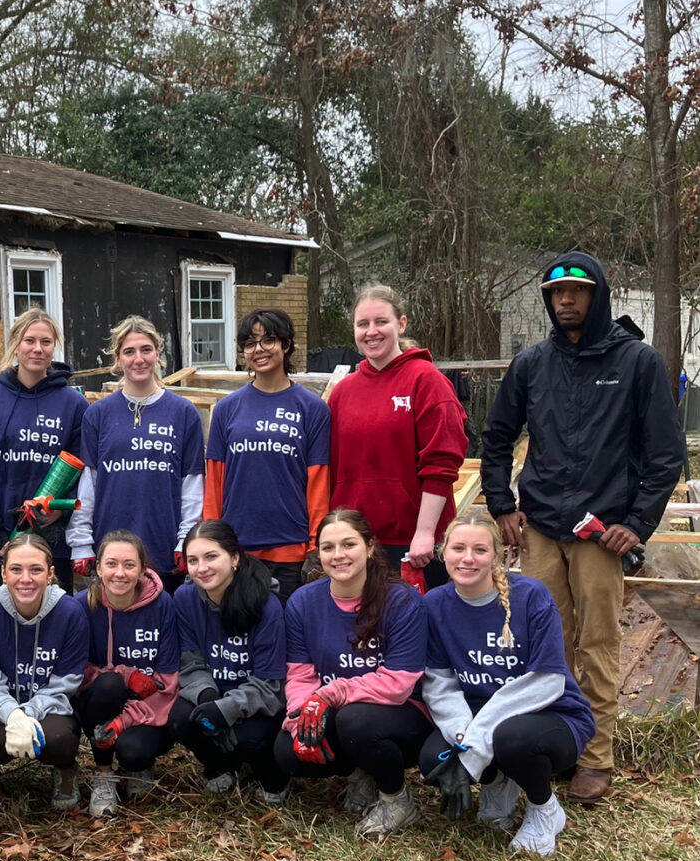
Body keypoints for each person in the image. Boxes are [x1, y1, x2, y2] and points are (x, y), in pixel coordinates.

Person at [481, 252, 685, 804]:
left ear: (598, 295)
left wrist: (637, 523)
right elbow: (497, 436)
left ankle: (595, 758)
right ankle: (552, 746)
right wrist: (502, 504)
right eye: (556, 293)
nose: (565, 300)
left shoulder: (637, 362)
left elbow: (665, 456)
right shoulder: (532, 364)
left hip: (601, 531)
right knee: (545, 643)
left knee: (597, 644)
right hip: (542, 526)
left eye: (577, 290)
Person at [421, 510, 596, 856]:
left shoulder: (531, 596)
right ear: (444, 553)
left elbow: (547, 681)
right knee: (431, 761)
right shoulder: (435, 604)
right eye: (458, 548)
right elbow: (439, 683)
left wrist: (471, 752)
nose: (467, 559)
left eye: (480, 550)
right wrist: (461, 741)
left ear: (499, 555)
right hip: (478, 712)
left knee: (512, 740)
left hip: (552, 713)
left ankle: (544, 809)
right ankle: (500, 781)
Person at [277, 509, 432, 838]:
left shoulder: (402, 600)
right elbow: (301, 673)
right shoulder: (303, 602)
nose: (338, 555)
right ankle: (360, 772)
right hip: (333, 707)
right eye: (328, 547)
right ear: (318, 553)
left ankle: (396, 800)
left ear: (370, 546)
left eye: (349, 544)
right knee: (286, 751)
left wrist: (330, 694)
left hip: (401, 714)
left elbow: (399, 683)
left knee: (356, 721)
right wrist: (301, 714)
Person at [327, 285, 467, 588]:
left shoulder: (427, 381)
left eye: (381, 322)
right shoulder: (342, 392)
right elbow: (333, 466)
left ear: (401, 324)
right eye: (362, 324)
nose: (371, 332)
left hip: (413, 546)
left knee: (413, 630)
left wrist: (425, 533)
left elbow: (441, 465)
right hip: (356, 544)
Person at [67, 315, 204, 591]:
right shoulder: (98, 414)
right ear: (118, 358)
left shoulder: (183, 413)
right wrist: (81, 542)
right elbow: (87, 484)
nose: (138, 359)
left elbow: (192, 485)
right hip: (111, 552)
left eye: (146, 350)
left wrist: (186, 540)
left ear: (157, 353)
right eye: (129, 352)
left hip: (164, 547)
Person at [204, 310, 331, 603]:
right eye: (250, 343)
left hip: (291, 549)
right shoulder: (226, 409)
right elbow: (215, 483)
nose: (258, 349)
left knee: (287, 638)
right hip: (237, 550)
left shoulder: (312, 409)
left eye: (269, 340)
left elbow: (318, 483)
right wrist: (211, 541)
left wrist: (316, 544)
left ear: (286, 345)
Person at [0, 308, 87, 593]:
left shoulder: (73, 404)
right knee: (6, 620)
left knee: (57, 618)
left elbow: (85, 471)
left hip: (54, 541)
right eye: (29, 340)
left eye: (46, 342)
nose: (38, 349)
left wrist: (61, 511)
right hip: (4, 540)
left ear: (54, 346)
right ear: (15, 344)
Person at [170, 520, 288, 803]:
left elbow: (271, 683)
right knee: (179, 719)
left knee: (249, 739)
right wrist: (208, 698)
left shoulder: (265, 605)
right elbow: (190, 660)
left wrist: (226, 710)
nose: (202, 568)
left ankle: (274, 776)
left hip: (260, 702)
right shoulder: (185, 598)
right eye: (193, 560)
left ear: (234, 558)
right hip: (214, 689)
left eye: (212, 556)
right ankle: (220, 766)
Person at [0, 532, 88, 808]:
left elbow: (65, 684)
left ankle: (66, 769)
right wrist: (11, 715)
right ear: (3, 573)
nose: (25, 579)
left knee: (59, 739)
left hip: (50, 708)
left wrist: (26, 715)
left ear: (50, 573)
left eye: (36, 569)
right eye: (16, 569)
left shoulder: (69, 612)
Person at [73, 530, 179, 817]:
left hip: (149, 707)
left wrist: (123, 722)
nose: (120, 573)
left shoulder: (163, 604)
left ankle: (136, 766)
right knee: (109, 684)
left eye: (129, 565)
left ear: (143, 569)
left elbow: (169, 680)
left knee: (134, 752)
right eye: (111, 564)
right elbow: (74, 672)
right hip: (99, 702)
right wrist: (125, 674)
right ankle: (104, 773)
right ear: (98, 568)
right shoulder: (81, 605)